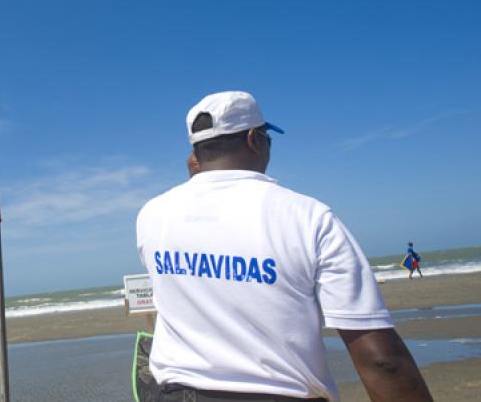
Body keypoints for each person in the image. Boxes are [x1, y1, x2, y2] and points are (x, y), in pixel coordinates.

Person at [136, 91, 432, 401]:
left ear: (196, 152)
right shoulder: (309, 217)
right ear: (254, 139)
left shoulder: (152, 216)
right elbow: (382, 360)